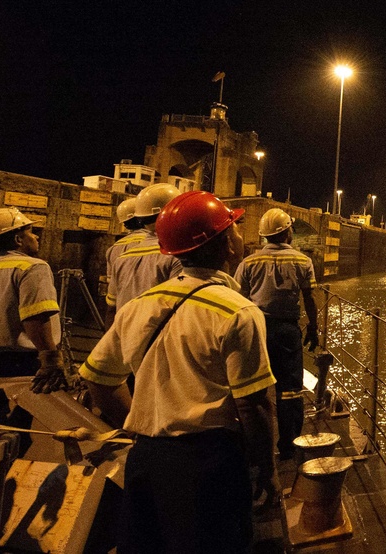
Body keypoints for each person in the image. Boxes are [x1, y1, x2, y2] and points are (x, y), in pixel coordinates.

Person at [80, 191, 277, 554]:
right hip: (209, 464)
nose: (238, 236)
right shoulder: (238, 312)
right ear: (223, 245)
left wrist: (144, 422)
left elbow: (97, 378)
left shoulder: (138, 307)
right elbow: (255, 406)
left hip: (145, 460)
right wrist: (268, 469)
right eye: (232, 229)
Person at [234, 208, 318, 460]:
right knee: (290, 388)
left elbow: (238, 298)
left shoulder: (249, 262)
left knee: (254, 386)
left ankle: (257, 445)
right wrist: (314, 328)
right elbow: (310, 297)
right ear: (287, 232)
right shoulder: (303, 261)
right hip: (287, 330)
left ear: (265, 236)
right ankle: (289, 445)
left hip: (256, 327)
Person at [0, 208, 68, 393]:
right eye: (30, 232)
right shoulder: (32, 267)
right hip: (14, 364)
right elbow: (35, 317)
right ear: (18, 240)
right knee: (15, 419)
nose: (36, 237)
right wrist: (50, 359)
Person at [105, 183, 183, 326]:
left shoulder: (120, 258)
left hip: (126, 337)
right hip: (157, 342)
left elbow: (111, 306)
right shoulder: (177, 256)